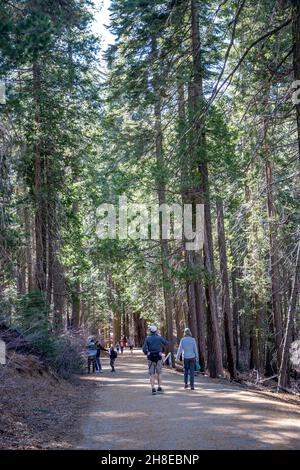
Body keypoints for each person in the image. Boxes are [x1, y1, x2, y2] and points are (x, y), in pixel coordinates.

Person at [142, 325, 169, 395]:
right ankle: (159, 387)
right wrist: (162, 349)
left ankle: (153, 389)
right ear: (156, 330)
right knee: (159, 373)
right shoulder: (159, 338)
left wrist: (146, 352)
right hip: (158, 357)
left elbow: (144, 348)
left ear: (150, 331)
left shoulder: (147, 338)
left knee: (152, 374)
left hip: (150, 357)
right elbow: (166, 343)